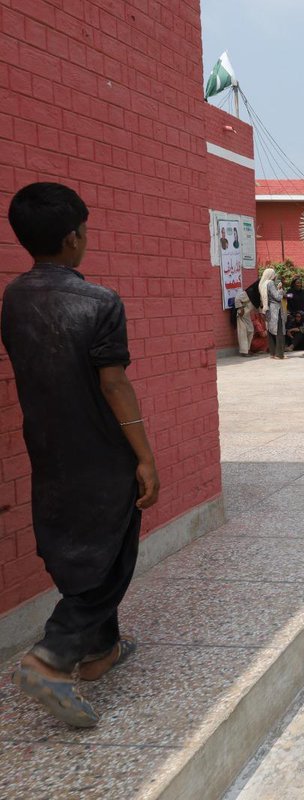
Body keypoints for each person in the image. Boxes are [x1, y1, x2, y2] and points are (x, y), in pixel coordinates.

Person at [2, 183, 159, 728]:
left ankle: (98, 655)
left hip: (48, 448)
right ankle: (53, 655)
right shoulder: (100, 303)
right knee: (111, 559)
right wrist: (145, 455)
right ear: (73, 238)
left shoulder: (14, 298)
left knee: (76, 548)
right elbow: (115, 385)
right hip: (100, 451)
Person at [260, 267, 286, 360]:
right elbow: (278, 297)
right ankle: (279, 354)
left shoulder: (263, 284)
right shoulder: (270, 283)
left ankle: (273, 353)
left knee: (271, 331)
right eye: (274, 274)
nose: (275, 276)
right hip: (275, 309)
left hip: (268, 309)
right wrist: (280, 289)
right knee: (278, 331)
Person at [234, 285, 254, 356]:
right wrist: (241, 308)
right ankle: (244, 352)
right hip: (241, 314)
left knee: (251, 330)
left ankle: (247, 349)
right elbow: (237, 298)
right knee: (242, 332)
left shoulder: (257, 296)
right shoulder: (249, 292)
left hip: (247, 315)